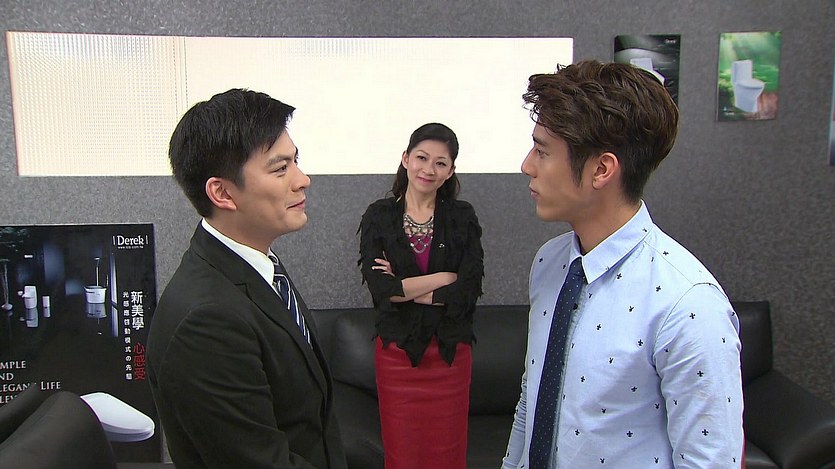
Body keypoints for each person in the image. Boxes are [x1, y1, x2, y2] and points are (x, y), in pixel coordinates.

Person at [503, 61, 744, 468]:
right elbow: (534, 396)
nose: (527, 165)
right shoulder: (549, 263)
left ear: (601, 169)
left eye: (542, 151)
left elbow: (711, 460)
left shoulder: (688, 305)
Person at [147, 88, 347, 469]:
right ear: (222, 192)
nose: (303, 179)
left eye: (295, 161)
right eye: (280, 168)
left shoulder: (259, 265)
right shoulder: (206, 322)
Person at [357, 123, 484, 469]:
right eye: (422, 158)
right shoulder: (380, 216)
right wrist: (442, 278)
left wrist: (406, 287)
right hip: (397, 357)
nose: (429, 169)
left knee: (447, 455)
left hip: (449, 357)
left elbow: (468, 290)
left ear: (451, 171)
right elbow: (383, 291)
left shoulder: (461, 217)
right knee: (403, 455)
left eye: (440, 163)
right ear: (406, 159)